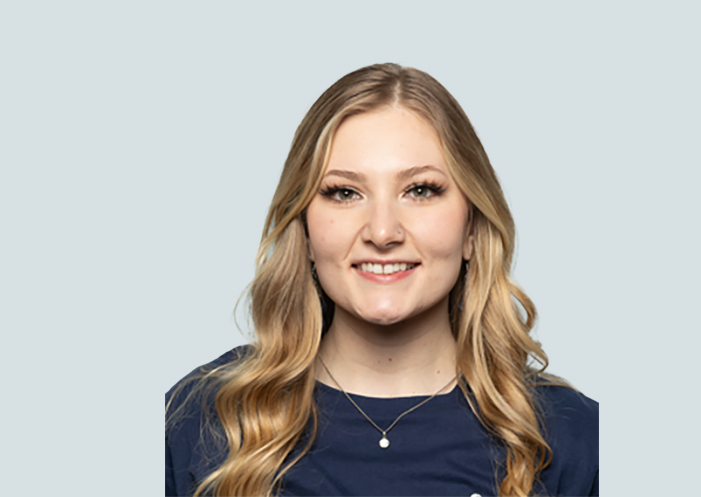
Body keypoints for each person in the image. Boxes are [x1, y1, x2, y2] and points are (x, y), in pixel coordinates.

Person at [165, 63, 598, 497]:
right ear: (306, 230)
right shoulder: (198, 421)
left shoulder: (576, 438)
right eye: (344, 193)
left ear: (471, 227)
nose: (383, 232)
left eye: (420, 190)